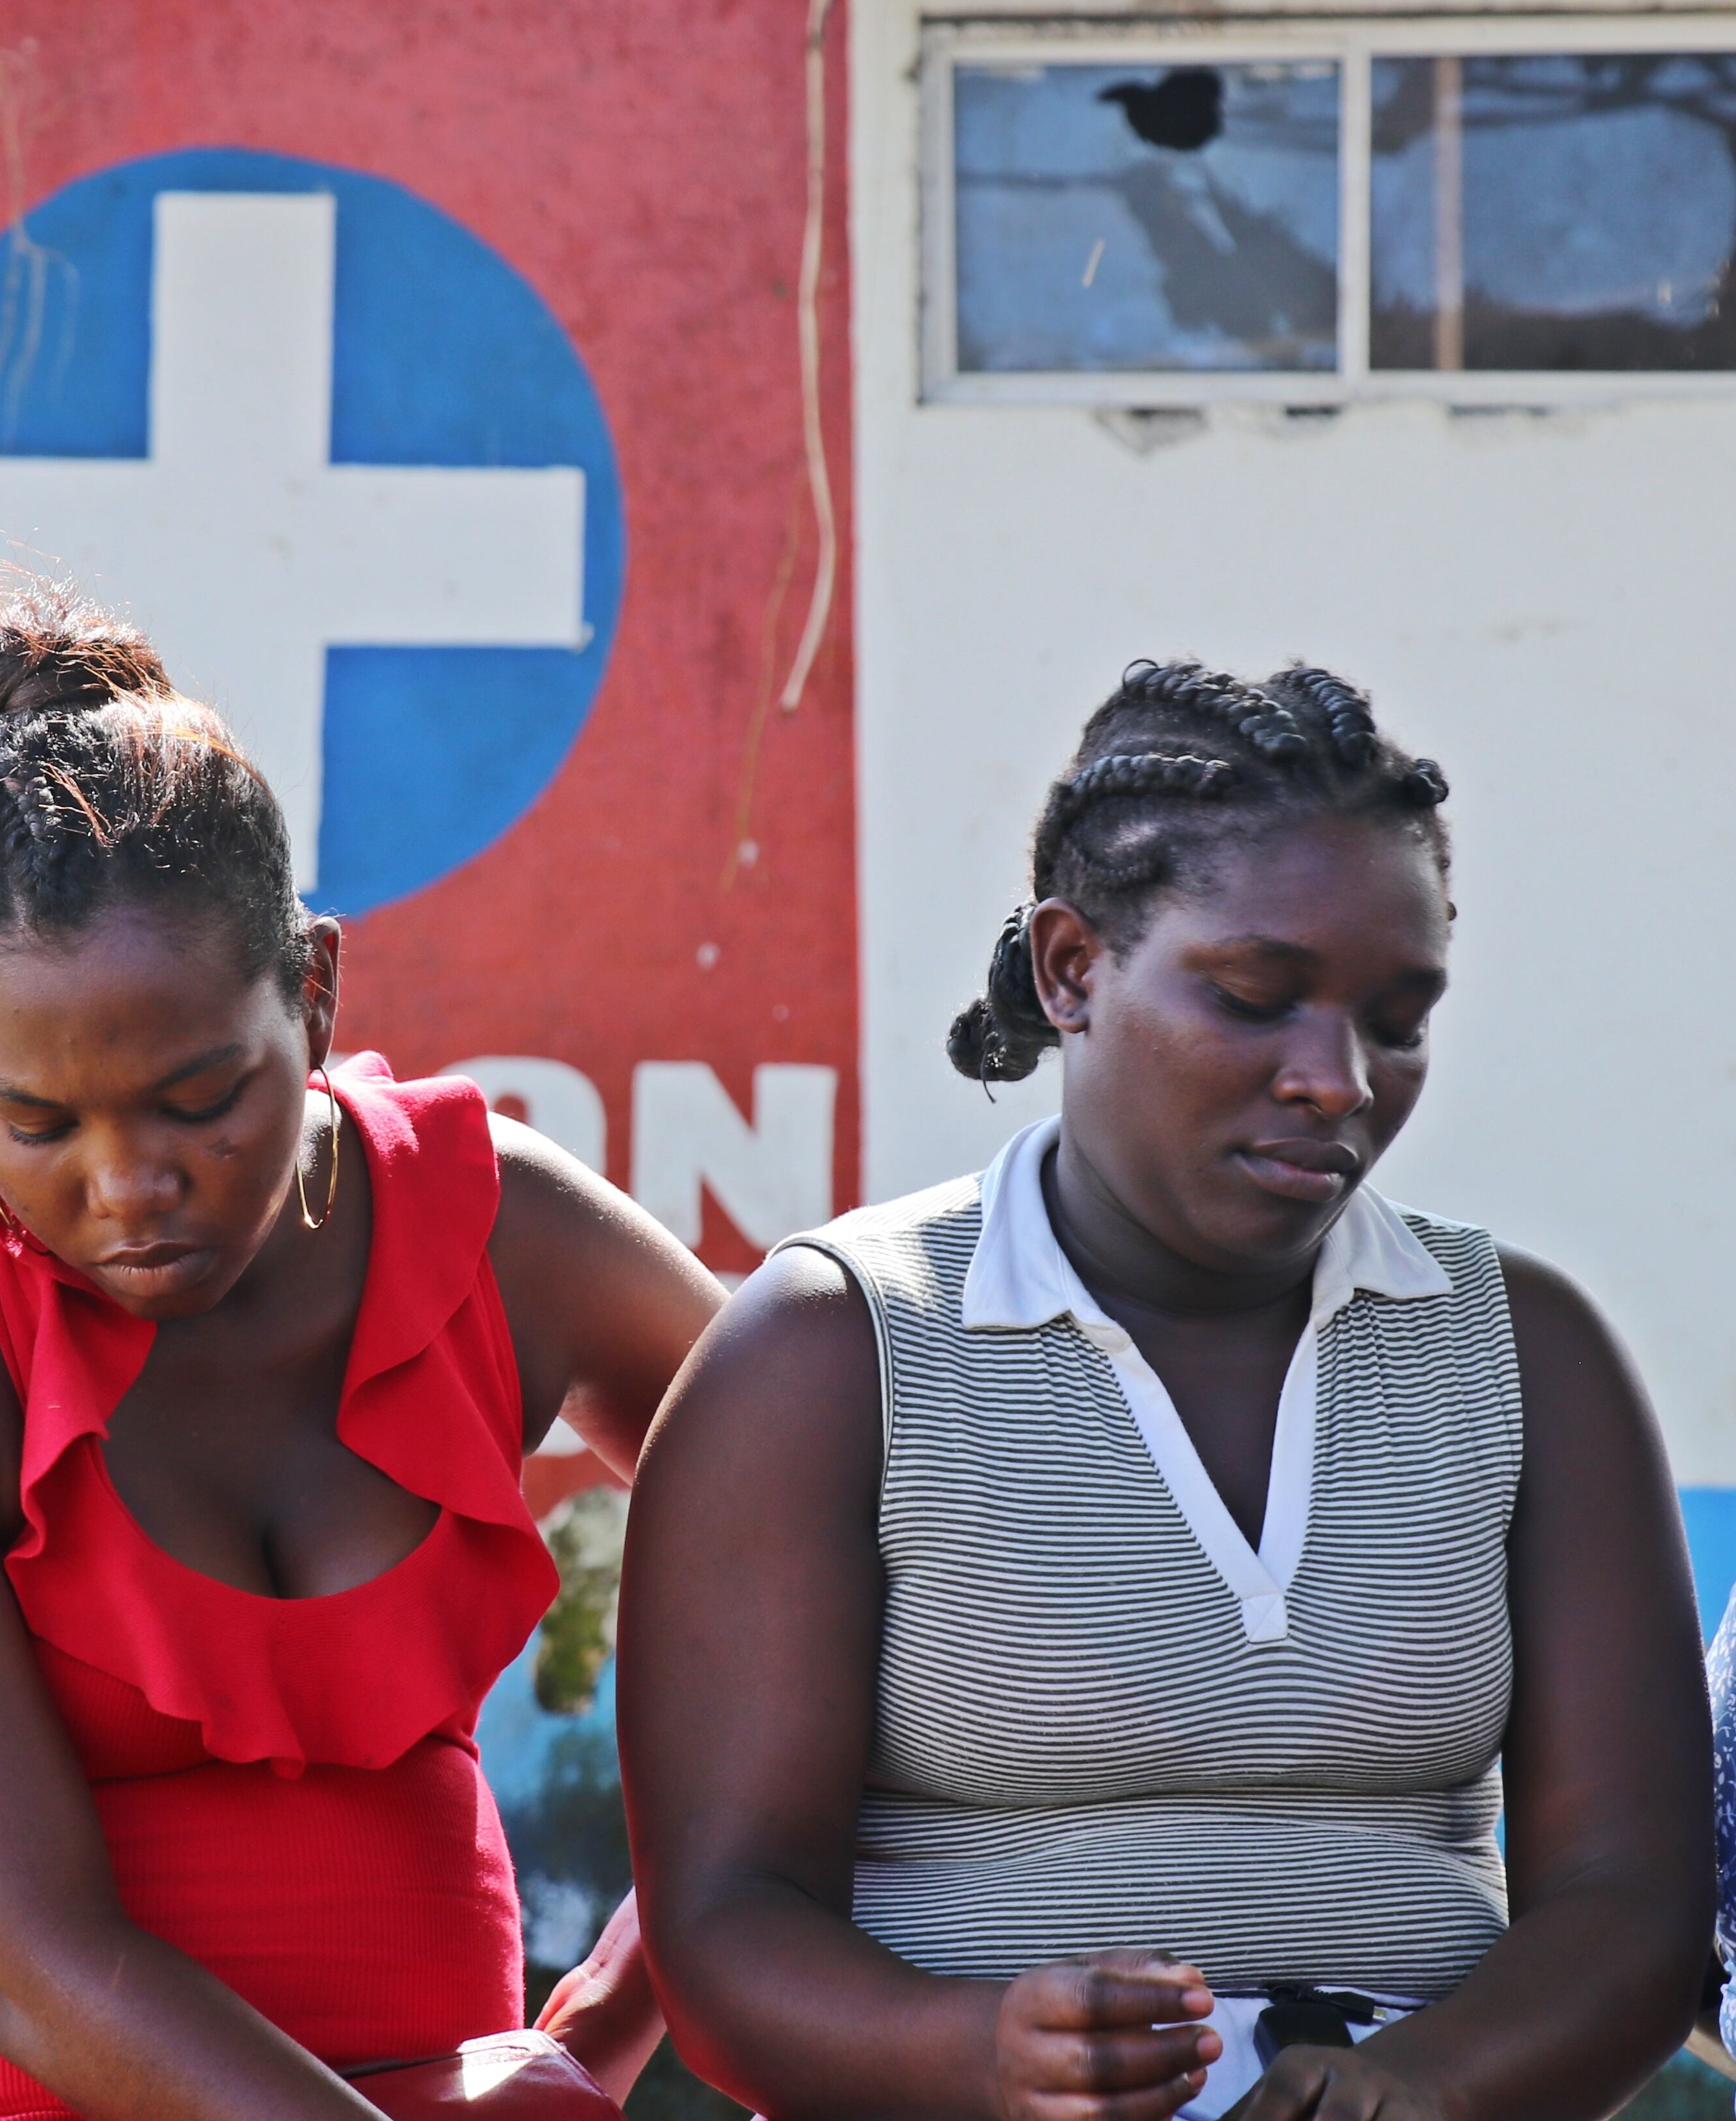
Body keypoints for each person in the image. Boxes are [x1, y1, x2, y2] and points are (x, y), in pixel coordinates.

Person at [618, 659, 1711, 2121]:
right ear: (1074, 969)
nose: (1339, 1078)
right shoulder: (832, 1354)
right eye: (1260, 998)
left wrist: (1427, 2090)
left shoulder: (1527, 1352)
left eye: (1399, 1019)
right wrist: (978, 2059)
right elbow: (725, 1931)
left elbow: (1635, 1908)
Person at [0, 588, 721, 2121]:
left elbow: (878, 1567)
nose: (128, 1186)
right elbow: (22, 1960)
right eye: (36, 1122)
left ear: (313, 991)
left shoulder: (497, 1235)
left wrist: (611, 2026)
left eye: (200, 1100)